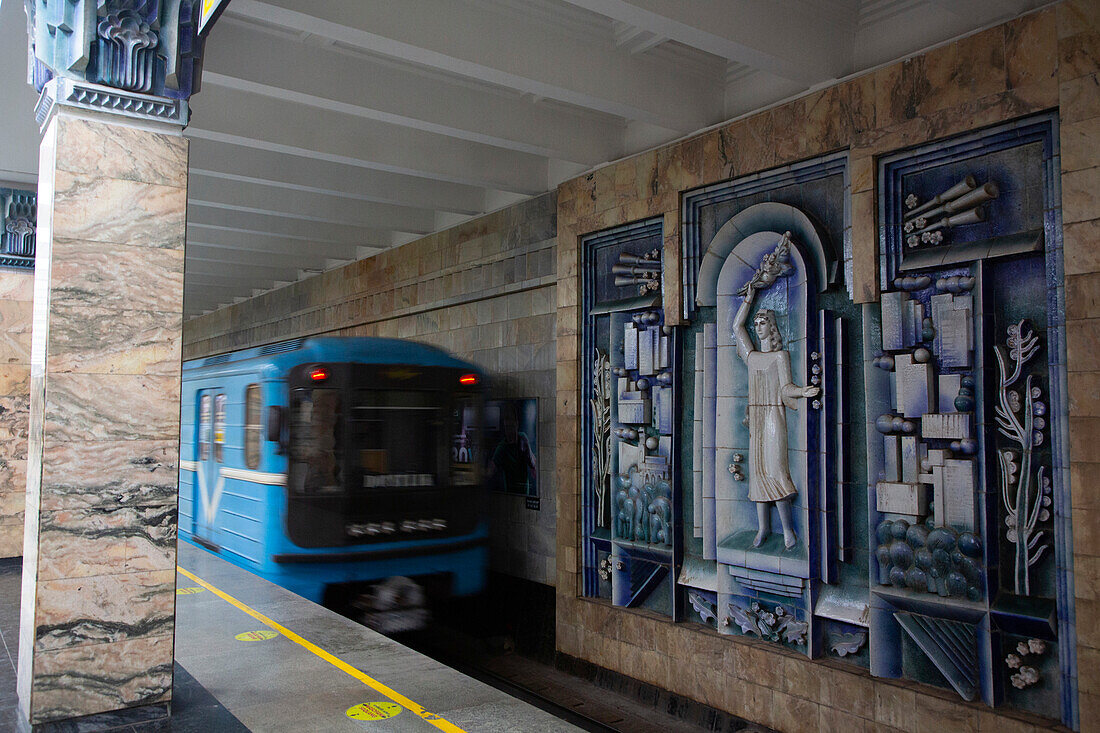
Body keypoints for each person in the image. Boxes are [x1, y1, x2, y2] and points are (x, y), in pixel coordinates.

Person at [733, 275, 818, 549]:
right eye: (756, 323)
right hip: (756, 419)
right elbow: (737, 327)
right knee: (758, 474)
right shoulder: (752, 357)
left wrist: (803, 391)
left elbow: (786, 387)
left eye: (762, 322)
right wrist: (749, 297)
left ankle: (788, 530)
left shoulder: (781, 356)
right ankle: (762, 529)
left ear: (772, 327)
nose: (758, 327)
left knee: (777, 472)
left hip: (773, 417)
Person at [489, 403, 536, 494]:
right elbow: (490, 471)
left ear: (517, 425)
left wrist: (526, 450)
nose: (509, 432)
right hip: (511, 494)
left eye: (511, 427)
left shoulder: (522, 438)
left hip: (524, 494)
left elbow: (532, 463)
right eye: (507, 428)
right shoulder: (502, 447)